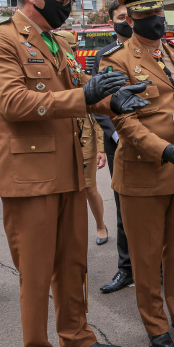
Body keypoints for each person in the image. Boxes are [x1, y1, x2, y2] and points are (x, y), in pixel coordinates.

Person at [0, 0, 145, 347]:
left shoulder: (58, 43)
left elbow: (78, 96)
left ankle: (76, 338)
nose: (67, 7)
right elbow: (13, 102)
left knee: (73, 263)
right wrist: (84, 95)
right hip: (30, 178)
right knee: (36, 275)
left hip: (70, 171)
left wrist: (112, 101)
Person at [99, 0, 174, 347]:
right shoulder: (115, 61)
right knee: (147, 256)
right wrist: (162, 149)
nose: (156, 21)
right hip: (144, 172)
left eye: (159, 13)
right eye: (147, 15)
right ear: (130, 19)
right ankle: (155, 324)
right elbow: (123, 121)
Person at [92, 2, 135, 293]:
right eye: (122, 18)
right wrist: (116, 134)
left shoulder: (155, 52)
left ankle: (157, 268)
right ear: (112, 22)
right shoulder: (103, 56)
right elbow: (97, 100)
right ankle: (127, 269)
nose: (128, 22)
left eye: (131, 17)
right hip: (118, 142)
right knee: (123, 208)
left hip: (152, 141)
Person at [55, 30, 110, 246]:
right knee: (65, 191)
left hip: (84, 139)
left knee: (89, 188)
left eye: (73, 49)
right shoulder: (51, 76)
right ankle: (71, 234)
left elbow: (96, 115)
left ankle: (100, 224)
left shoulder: (80, 76)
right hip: (61, 141)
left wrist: (101, 148)